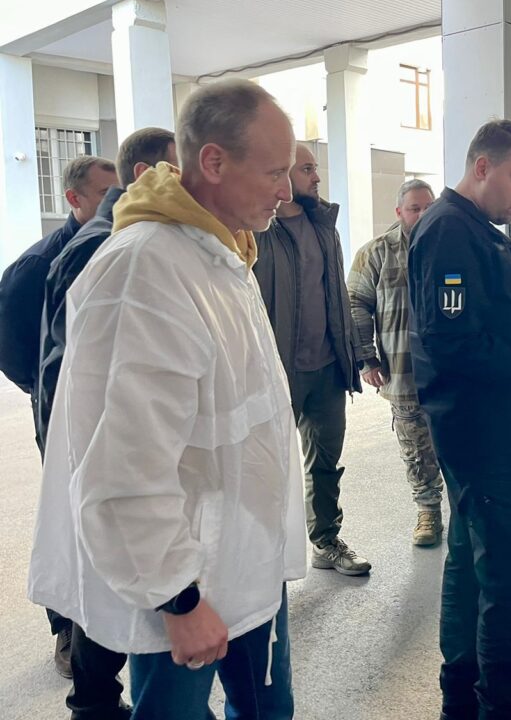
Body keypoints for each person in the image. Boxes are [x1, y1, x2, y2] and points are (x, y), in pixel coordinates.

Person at [28, 79, 307, 718]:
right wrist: (177, 599)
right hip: (186, 584)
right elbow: (123, 465)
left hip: (241, 562)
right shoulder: (145, 269)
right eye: (274, 172)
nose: (286, 191)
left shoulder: (218, 250)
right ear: (213, 162)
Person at [408, 119, 511, 719]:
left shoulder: (475, 229)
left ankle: (460, 694)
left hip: (490, 427)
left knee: (471, 562)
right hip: (480, 433)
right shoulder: (449, 233)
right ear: (481, 167)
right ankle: (499, 700)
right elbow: (453, 343)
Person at [35, 126, 177, 720]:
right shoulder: (107, 247)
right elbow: (49, 357)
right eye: (178, 168)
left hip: (91, 438)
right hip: (93, 445)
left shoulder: (121, 237)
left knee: (113, 579)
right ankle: (93, 704)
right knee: (107, 582)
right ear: (147, 174)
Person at [0, 154, 117, 678]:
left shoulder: (118, 243)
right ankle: (67, 632)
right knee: (67, 518)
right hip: (58, 408)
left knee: (107, 513)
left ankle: (111, 621)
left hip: (106, 407)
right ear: (73, 198)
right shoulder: (36, 264)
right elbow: (13, 346)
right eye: (102, 194)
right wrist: (47, 394)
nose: (114, 203)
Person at [254, 143, 369, 576]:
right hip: (276, 372)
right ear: (283, 175)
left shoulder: (325, 227)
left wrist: (353, 354)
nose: (316, 178)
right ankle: (264, 558)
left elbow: (337, 293)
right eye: (307, 169)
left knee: (325, 463)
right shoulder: (257, 231)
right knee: (266, 467)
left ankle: (326, 541)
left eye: (315, 168)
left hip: (326, 368)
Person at [348, 178, 445, 546]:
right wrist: (367, 360)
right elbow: (356, 303)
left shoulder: (449, 246)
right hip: (401, 372)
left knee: (453, 445)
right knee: (416, 448)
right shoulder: (376, 252)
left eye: (427, 207)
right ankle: (428, 512)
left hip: (448, 372)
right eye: (414, 208)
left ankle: (465, 513)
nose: (421, 214)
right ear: (399, 212)